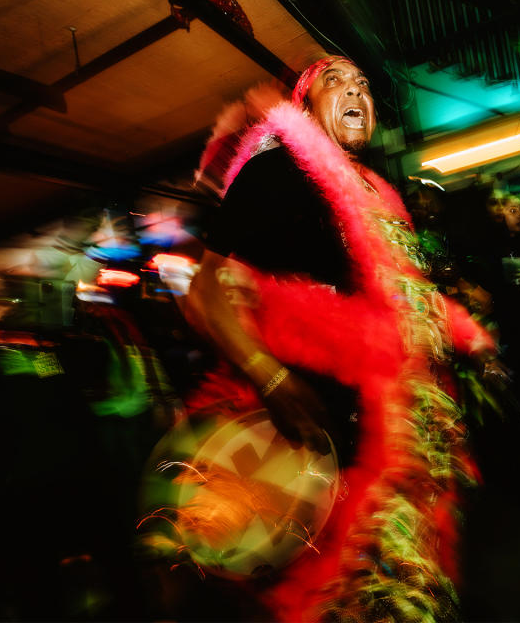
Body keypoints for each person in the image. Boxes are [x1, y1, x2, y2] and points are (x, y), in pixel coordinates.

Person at [185, 55, 498, 622]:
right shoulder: (280, 172)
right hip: (322, 453)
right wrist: (271, 377)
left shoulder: (379, 192)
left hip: (401, 443)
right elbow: (207, 288)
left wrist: (469, 335)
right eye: (336, 80)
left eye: (364, 86)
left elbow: (408, 299)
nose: (356, 91)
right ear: (305, 104)